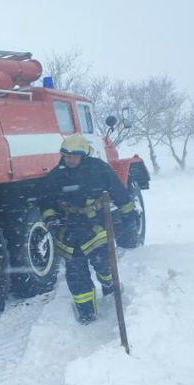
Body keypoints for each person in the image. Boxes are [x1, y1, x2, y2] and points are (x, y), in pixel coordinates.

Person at [40, 134, 138, 324]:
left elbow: (118, 191)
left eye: (74, 156)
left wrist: (128, 214)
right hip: (69, 232)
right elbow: (45, 201)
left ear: (84, 155)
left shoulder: (99, 169)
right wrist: (50, 217)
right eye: (67, 156)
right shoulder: (55, 176)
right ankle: (86, 314)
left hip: (96, 229)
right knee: (76, 275)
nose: (70, 160)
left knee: (104, 265)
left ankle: (109, 285)